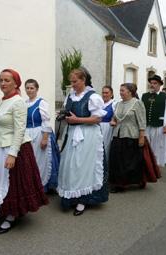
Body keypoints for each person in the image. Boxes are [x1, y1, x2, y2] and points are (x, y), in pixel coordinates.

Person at [0, 68, 48, 234]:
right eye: (1, 80)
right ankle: (1, 207)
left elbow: (19, 130)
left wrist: (12, 154)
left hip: (13, 147)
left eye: (7, 80)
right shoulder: (1, 100)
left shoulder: (18, 102)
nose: (3, 83)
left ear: (16, 83)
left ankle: (11, 214)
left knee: (12, 183)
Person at [58, 68, 108, 216]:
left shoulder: (93, 97)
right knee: (70, 166)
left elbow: (98, 118)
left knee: (84, 166)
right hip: (72, 132)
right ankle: (71, 196)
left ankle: (83, 200)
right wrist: (63, 116)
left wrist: (77, 120)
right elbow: (67, 111)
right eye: (71, 82)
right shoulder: (71, 95)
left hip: (88, 134)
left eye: (75, 81)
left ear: (83, 80)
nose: (72, 85)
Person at [109, 83, 146, 192]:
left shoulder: (137, 103)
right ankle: (117, 182)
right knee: (116, 160)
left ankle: (124, 184)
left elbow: (142, 121)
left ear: (130, 92)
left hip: (131, 136)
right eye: (120, 90)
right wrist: (113, 121)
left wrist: (141, 137)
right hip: (117, 135)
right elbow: (115, 118)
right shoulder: (118, 104)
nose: (120, 92)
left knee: (127, 162)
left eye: (122, 90)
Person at [24, 79, 60, 192]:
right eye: (27, 88)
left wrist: (45, 138)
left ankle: (42, 186)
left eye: (32, 88)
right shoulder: (24, 103)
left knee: (41, 161)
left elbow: (46, 121)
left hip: (40, 133)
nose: (29, 90)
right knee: (30, 161)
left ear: (37, 89)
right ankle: (32, 185)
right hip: (28, 134)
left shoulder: (41, 103)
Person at [141, 75, 166, 167]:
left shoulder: (165, 97)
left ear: (160, 85)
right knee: (146, 147)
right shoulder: (144, 96)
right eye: (151, 83)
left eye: (155, 83)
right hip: (146, 126)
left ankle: (156, 166)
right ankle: (147, 166)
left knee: (157, 148)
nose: (152, 85)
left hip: (159, 126)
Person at [100, 85, 116, 163]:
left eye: (106, 93)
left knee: (105, 148)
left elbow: (116, 116)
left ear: (111, 94)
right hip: (97, 127)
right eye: (103, 93)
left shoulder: (114, 104)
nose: (104, 95)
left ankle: (106, 169)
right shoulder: (99, 103)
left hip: (108, 128)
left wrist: (113, 120)